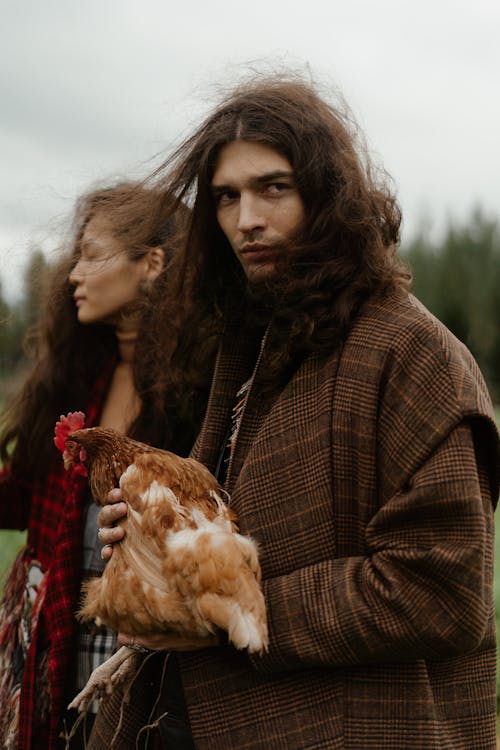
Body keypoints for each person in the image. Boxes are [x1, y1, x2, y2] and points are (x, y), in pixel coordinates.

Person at [93, 74, 499, 750]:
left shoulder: (415, 355)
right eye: (226, 197)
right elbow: (243, 517)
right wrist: (158, 528)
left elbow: (441, 591)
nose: (246, 219)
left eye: (272, 187)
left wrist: (221, 607)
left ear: (329, 193)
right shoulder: (248, 343)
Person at [0, 181, 210, 749]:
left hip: (141, 651)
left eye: (91, 254)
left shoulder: (199, 390)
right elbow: (20, 501)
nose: (74, 274)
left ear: (153, 264)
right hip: (52, 635)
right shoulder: (75, 376)